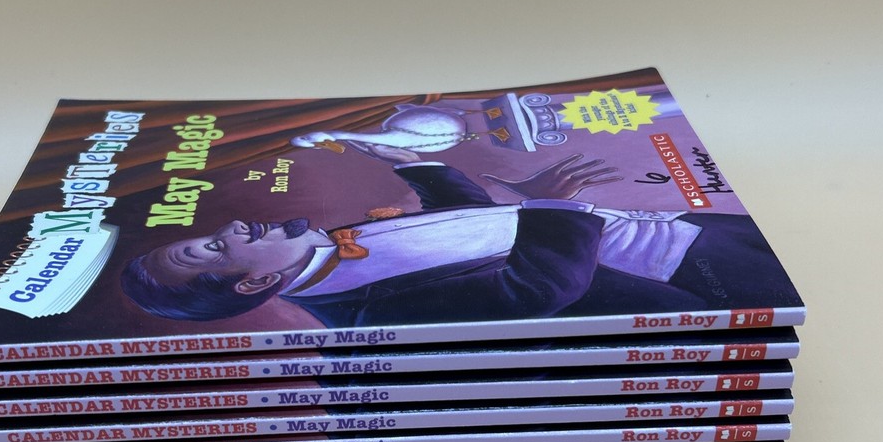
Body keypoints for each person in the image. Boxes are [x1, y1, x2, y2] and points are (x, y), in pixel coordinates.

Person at [120, 145, 798, 325]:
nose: (232, 226)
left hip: (689, 229)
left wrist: (415, 165)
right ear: (255, 282)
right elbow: (537, 292)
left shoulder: (333, 243)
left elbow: (466, 226)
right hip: (688, 275)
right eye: (216, 248)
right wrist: (551, 207)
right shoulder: (365, 314)